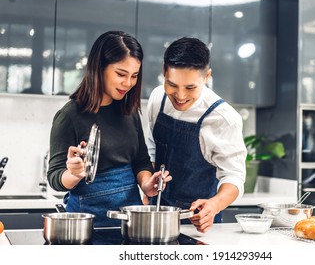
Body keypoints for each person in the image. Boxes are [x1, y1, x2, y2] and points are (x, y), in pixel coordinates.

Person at [47, 31, 171, 227]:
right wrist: (74, 173)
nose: (128, 83)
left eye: (134, 76)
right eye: (121, 74)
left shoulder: (129, 112)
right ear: (99, 68)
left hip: (130, 223)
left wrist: (147, 184)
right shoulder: (69, 116)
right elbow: (55, 178)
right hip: (87, 226)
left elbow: (140, 161)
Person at [146, 37, 246, 233]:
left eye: (190, 87)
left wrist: (214, 205)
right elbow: (151, 150)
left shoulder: (224, 119)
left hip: (198, 222)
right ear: (163, 72)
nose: (180, 96)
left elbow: (233, 176)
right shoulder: (157, 98)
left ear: (206, 76)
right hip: (155, 215)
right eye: (172, 85)